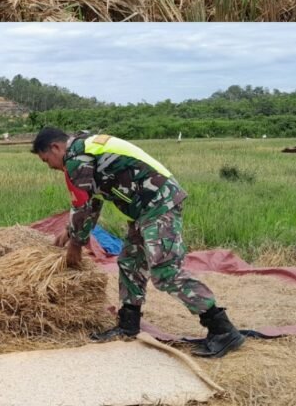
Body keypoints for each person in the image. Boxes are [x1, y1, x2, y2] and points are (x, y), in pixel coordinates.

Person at [31, 126, 245, 358]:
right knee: (130, 262)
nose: (50, 166)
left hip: (158, 204)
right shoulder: (85, 149)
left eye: (46, 160)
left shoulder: (76, 158)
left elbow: (82, 205)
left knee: (165, 271)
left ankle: (222, 329)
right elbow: (92, 203)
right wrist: (72, 231)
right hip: (145, 209)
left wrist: (75, 246)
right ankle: (128, 323)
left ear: (56, 147)